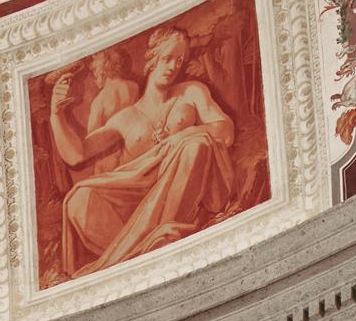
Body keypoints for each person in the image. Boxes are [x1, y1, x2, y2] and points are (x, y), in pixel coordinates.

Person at [48, 23, 240, 279]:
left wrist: (183, 136)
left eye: (179, 60)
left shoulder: (191, 93)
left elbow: (225, 130)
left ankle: (164, 233)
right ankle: (140, 249)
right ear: (151, 58)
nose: (173, 67)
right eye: (167, 58)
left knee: (196, 144)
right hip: (135, 203)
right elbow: (76, 154)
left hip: (180, 196)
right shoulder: (126, 118)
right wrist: (55, 114)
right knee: (79, 199)